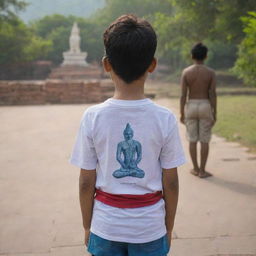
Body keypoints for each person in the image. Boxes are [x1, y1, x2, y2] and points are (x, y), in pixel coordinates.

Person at [70, 14, 186, 256]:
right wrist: (168, 227)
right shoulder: (164, 118)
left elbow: (85, 182)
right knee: (128, 166)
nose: (129, 134)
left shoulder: (93, 116)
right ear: (152, 65)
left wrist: (86, 225)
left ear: (106, 64)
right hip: (150, 226)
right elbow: (171, 182)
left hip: (106, 225)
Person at [180, 42, 217, 178]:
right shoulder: (210, 73)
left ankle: (195, 168)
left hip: (191, 105)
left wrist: (182, 112)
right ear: (206, 56)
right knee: (204, 140)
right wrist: (214, 112)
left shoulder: (186, 72)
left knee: (192, 139)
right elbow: (212, 93)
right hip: (205, 104)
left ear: (192, 56)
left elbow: (183, 95)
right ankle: (202, 170)